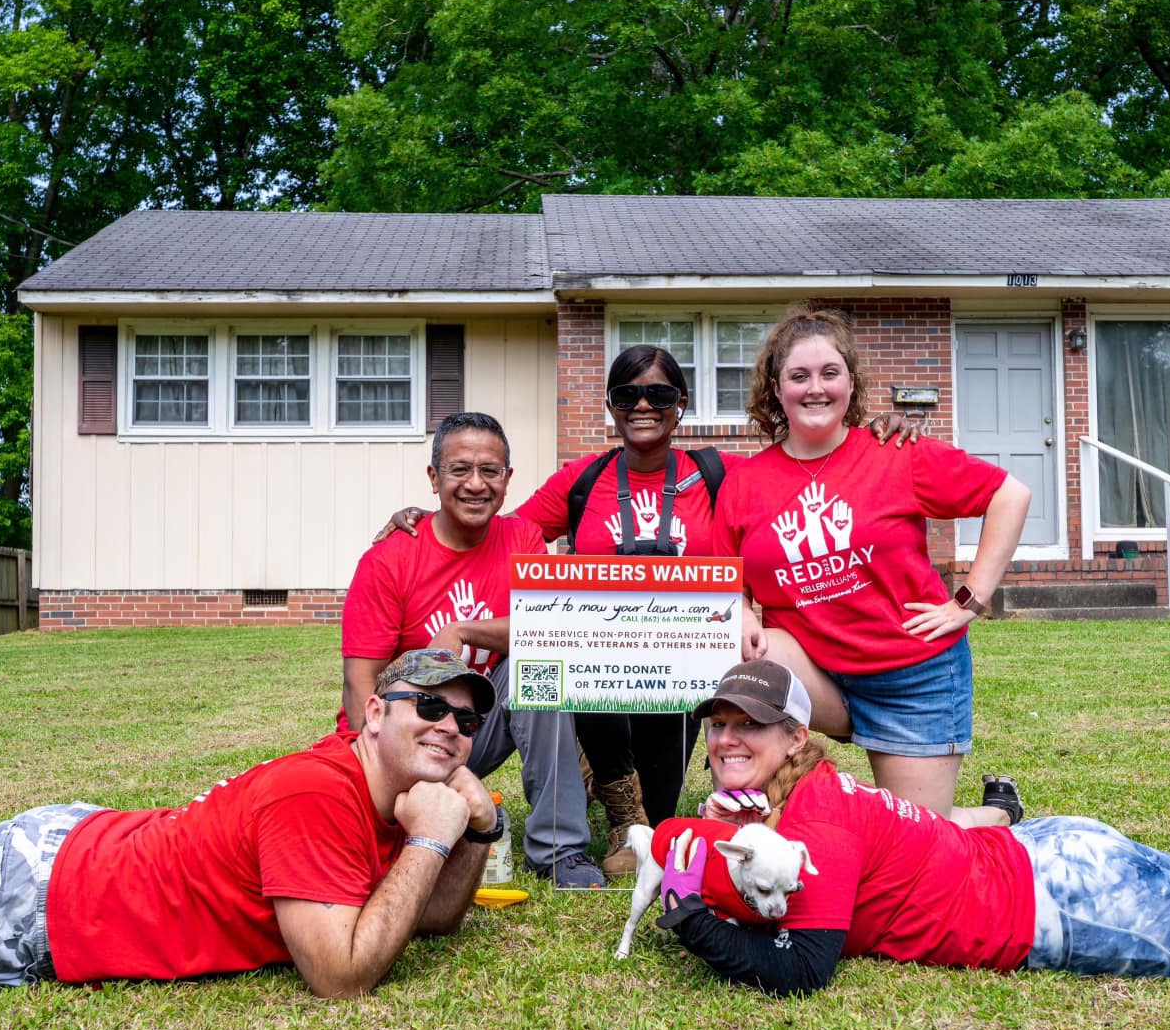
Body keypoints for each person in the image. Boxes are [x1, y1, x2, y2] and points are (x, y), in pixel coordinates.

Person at [0, 625, 504, 1001]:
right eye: (426, 703)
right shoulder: (320, 792)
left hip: (56, 865)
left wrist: (476, 831)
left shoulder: (380, 801)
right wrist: (435, 832)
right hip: (35, 907)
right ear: (371, 714)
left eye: (466, 719)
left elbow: (421, 919)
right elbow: (340, 975)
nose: (448, 725)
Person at [376, 346, 928, 876]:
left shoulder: (720, 474)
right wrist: (429, 515)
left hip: (684, 666)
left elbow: (812, 473)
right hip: (599, 667)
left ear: (680, 403)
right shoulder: (582, 480)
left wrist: (867, 437)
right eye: (627, 394)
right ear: (611, 406)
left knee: (662, 818)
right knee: (575, 657)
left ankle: (740, 800)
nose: (643, 406)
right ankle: (612, 794)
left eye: (659, 394)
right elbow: (491, 521)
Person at [645, 662, 1170, 995]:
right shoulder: (785, 804)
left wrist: (690, 924)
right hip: (1048, 850)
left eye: (752, 725)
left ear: (796, 740)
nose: (726, 739)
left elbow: (804, 965)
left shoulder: (816, 814)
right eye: (718, 724)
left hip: (1065, 904)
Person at [711, 303, 1033, 824]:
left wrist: (969, 600)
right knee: (737, 648)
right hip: (820, 675)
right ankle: (748, 813)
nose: (815, 388)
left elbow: (1010, 495)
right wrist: (742, 609)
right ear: (777, 389)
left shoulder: (896, 453)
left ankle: (996, 815)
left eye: (829, 373)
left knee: (919, 839)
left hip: (911, 677)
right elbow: (724, 574)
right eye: (799, 375)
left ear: (850, 382)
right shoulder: (746, 483)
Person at [341, 412, 597, 887]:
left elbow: (546, 628)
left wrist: (465, 631)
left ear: (508, 479)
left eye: (490, 471)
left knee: (538, 664)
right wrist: (382, 784)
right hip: (402, 738)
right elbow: (360, 685)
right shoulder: (391, 558)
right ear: (434, 478)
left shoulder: (522, 540)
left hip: (473, 728)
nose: (475, 484)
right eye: (459, 470)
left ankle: (560, 851)